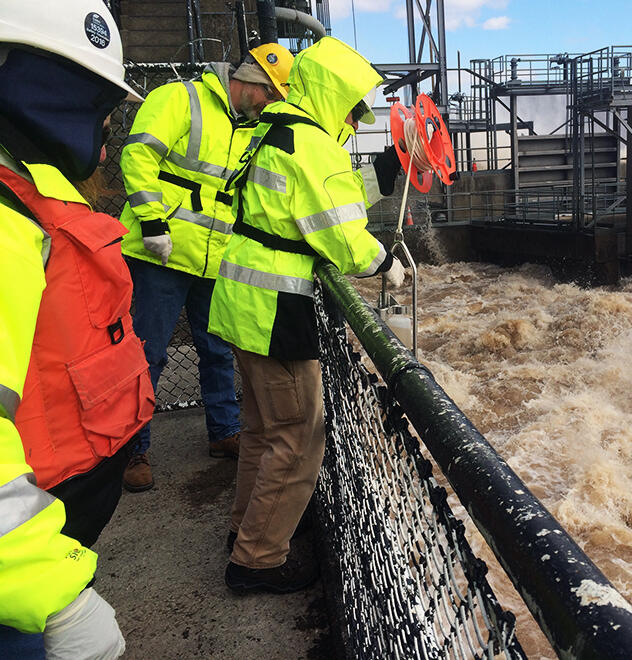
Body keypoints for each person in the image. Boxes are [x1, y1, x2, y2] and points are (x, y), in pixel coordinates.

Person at [208, 36, 405, 594]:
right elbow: (341, 234)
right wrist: (383, 261)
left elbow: (314, 203)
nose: (352, 117)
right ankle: (257, 560)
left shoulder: (273, 129)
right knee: (297, 438)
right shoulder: (312, 144)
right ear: (331, 92)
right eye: (350, 105)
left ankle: (243, 532)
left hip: (242, 298)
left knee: (260, 431)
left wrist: (385, 169)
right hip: (276, 309)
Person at [0, 0, 153, 656]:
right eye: (93, 98)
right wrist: (51, 593)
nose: (107, 120)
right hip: (21, 583)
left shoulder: (28, 184)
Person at [118, 43, 295, 492]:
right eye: (271, 94)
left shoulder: (252, 127)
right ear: (251, 81)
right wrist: (152, 220)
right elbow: (137, 156)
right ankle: (132, 450)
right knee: (146, 353)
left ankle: (223, 432)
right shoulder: (180, 99)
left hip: (212, 256)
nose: (273, 104)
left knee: (217, 351)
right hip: (160, 251)